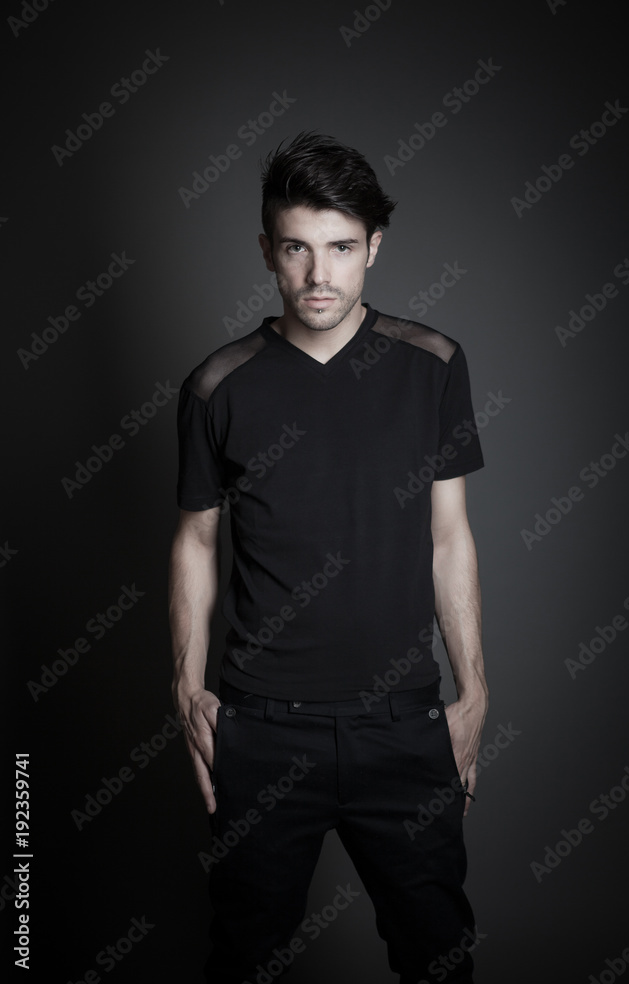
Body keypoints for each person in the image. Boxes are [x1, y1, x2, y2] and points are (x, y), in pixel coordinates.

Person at [169, 131, 489, 984]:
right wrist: (185, 684)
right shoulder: (217, 385)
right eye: (297, 249)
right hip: (264, 729)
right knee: (242, 960)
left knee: (439, 958)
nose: (319, 275)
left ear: (373, 248)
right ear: (267, 250)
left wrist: (474, 690)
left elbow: (448, 535)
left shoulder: (434, 365)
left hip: (403, 726)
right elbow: (196, 539)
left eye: (341, 248)